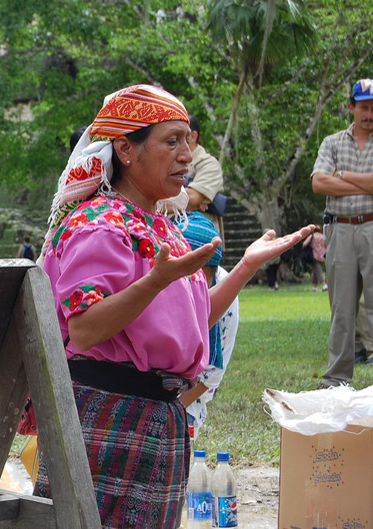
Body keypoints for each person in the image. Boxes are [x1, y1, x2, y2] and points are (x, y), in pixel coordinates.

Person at [35, 84, 312, 527]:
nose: (187, 155)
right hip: (106, 419)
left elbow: (191, 322)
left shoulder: (161, 225)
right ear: (126, 149)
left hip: (157, 419)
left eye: (188, 140)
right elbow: (85, 329)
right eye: (171, 141)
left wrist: (244, 268)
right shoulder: (99, 226)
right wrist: (157, 279)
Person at [312, 79, 373, 388]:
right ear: (351, 107)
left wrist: (345, 176)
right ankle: (336, 379)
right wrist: (366, 182)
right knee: (342, 309)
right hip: (341, 228)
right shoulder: (332, 142)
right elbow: (319, 183)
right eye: (363, 107)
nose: (369, 113)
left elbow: (332, 180)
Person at [176, 212, 239, 441]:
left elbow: (212, 374)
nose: (195, 287)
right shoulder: (162, 280)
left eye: (202, 281)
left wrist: (174, 408)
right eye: (187, 279)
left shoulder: (225, 296)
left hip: (188, 398)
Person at [185, 114, 225, 240]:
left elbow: (192, 199)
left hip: (203, 238)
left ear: (193, 136)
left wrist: (158, 199)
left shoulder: (209, 163)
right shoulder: (167, 162)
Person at [301, 226, 327, 292]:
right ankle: (314, 287)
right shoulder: (323, 237)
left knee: (318, 271)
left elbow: (304, 244)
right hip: (322, 255)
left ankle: (324, 284)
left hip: (314, 255)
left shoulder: (312, 236)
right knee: (316, 271)